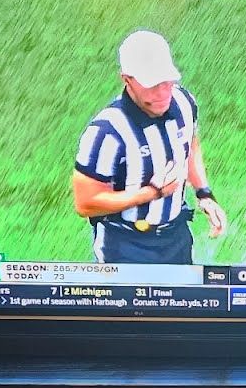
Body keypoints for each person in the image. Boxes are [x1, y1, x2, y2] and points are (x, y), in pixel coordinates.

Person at [71, 29, 227, 263]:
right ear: (127, 80)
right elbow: (86, 203)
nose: (163, 92)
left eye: (167, 81)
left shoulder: (184, 102)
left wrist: (204, 194)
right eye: (153, 85)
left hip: (176, 235)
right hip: (125, 245)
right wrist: (150, 193)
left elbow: (190, 146)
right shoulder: (106, 132)